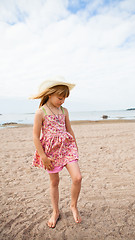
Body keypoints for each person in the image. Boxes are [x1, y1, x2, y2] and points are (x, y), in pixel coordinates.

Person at [31, 76, 82, 228]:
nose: (62, 101)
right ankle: (55, 211)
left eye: (64, 98)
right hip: (51, 152)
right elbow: (35, 136)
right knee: (54, 182)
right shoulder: (41, 112)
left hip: (67, 148)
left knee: (78, 178)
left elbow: (69, 129)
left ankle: (73, 205)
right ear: (49, 95)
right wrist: (43, 157)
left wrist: (75, 145)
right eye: (60, 98)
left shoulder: (64, 110)